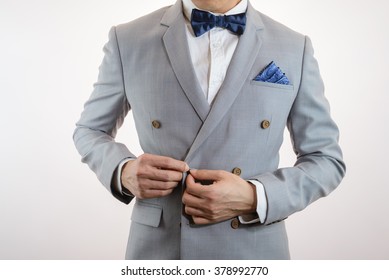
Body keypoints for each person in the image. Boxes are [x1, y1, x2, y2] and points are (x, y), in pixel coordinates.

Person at [73, 0, 345, 259]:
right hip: (160, 252)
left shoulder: (294, 47)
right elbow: (89, 130)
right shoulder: (128, 39)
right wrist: (123, 170)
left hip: (254, 252)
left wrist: (255, 197)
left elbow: (326, 159)